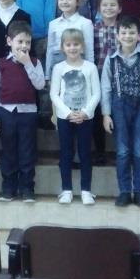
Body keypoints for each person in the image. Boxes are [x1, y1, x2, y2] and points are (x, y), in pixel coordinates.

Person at [101, 16, 140, 209]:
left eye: (132, 32)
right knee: (123, 151)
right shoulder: (111, 59)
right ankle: (125, 192)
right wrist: (106, 114)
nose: (127, 36)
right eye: (124, 32)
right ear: (117, 36)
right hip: (119, 106)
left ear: (139, 35)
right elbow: (106, 88)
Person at [0, 22, 44, 203]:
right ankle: (8, 188)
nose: (24, 46)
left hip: (28, 113)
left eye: (27, 42)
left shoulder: (35, 62)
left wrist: (27, 64)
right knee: (9, 152)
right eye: (20, 41)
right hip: (7, 112)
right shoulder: (0, 64)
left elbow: (40, 85)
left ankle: (27, 188)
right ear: (9, 41)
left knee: (27, 151)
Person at [49, 28, 100, 206]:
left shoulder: (90, 67)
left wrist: (85, 112)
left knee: (85, 153)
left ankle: (86, 190)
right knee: (66, 153)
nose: (72, 48)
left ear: (82, 46)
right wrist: (68, 112)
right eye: (68, 44)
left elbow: (96, 93)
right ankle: (66, 190)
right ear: (63, 47)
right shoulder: (59, 68)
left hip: (85, 117)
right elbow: (54, 94)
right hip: (65, 117)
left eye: (76, 44)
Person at [92, 0, 122, 165]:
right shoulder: (93, 29)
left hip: (119, 78)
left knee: (118, 114)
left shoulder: (123, 29)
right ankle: (100, 152)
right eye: (105, 5)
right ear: (99, 8)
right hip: (97, 77)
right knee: (98, 115)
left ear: (119, 8)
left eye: (113, 5)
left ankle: (121, 152)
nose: (108, 8)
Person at [45, 0, 94, 74]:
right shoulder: (53, 24)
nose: (64, 2)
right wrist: (47, 74)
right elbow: (50, 50)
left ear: (78, 1)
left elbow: (89, 50)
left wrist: (90, 72)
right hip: (57, 68)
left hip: (79, 67)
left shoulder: (85, 23)